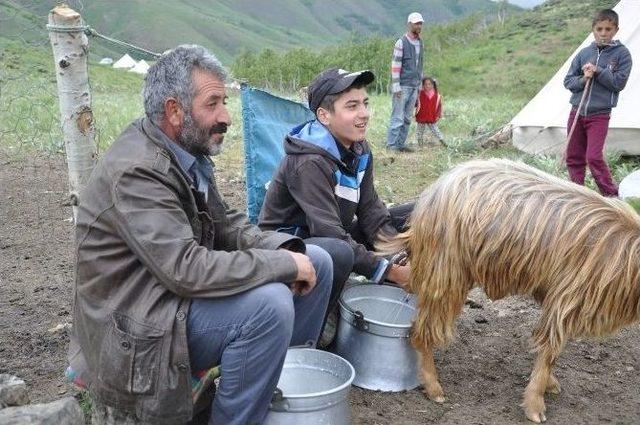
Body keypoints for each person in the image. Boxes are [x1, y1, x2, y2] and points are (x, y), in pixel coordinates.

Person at [67, 44, 332, 425]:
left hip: (162, 300)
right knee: (269, 306)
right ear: (175, 111)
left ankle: (268, 388)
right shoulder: (139, 171)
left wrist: (289, 251)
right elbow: (185, 269)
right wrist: (281, 264)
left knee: (317, 259)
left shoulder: (182, 151)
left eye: (224, 102)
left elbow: (226, 225)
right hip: (133, 327)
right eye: (213, 104)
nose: (226, 116)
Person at [258, 68, 413, 343]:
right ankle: (319, 321)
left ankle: (391, 301)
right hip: (289, 249)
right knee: (339, 252)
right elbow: (329, 232)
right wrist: (391, 271)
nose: (364, 113)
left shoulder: (359, 150)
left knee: (414, 215)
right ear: (324, 115)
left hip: (328, 238)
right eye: (351, 106)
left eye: (365, 104)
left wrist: (397, 253)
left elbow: (371, 211)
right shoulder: (308, 161)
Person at [563, 8, 632, 197]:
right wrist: (584, 79)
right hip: (576, 112)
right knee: (573, 156)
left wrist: (599, 71)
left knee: (593, 157)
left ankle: (611, 195)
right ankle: (577, 194)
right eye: (599, 28)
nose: (603, 33)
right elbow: (568, 82)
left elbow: (618, 83)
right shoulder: (584, 53)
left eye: (608, 29)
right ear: (593, 29)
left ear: (616, 30)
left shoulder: (622, 54)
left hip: (599, 115)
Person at [385, 12, 425, 153]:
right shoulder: (401, 42)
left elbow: (420, 65)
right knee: (397, 117)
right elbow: (395, 65)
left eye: (420, 23)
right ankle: (391, 146)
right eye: (416, 23)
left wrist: (420, 86)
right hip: (402, 86)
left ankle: (400, 144)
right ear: (409, 24)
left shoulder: (420, 42)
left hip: (414, 86)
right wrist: (396, 86)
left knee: (407, 118)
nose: (418, 26)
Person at [414, 76, 446, 147]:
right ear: (422, 85)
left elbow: (439, 107)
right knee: (419, 132)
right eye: (425, 84)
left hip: (431, 117)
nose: (427, 86)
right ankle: (420, 146)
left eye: (429, 84)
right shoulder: (420, 94)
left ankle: (444, 144)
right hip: (421, 117)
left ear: (433, 85)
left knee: (436, 131)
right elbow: (415, 103)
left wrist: (438, 115)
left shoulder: (437, 96)